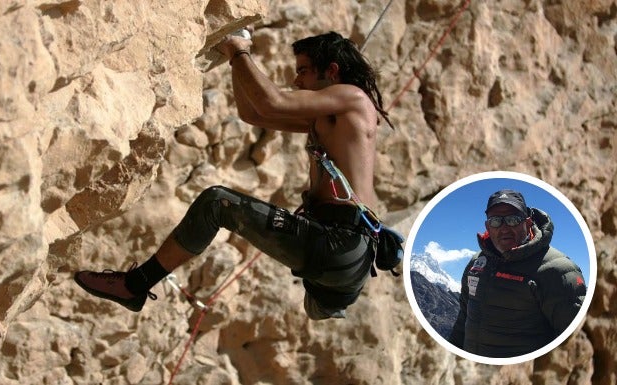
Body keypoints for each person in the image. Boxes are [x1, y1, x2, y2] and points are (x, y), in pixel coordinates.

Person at [74, 31, 395, 320]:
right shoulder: (327, 117)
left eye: (303, 71)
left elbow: (273, 100)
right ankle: (135, 285)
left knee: (217, 203)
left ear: (333, 71)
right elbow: (254, 113)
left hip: (340, 243)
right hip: (341, 257)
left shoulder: (351, 98)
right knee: (217, 203)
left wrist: (240, 49)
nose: (297, 81)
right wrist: (233, 60)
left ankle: (136, 284)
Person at [448, 189, 587, 357]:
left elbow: (576, 346)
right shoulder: (476, 264)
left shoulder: (557, 270)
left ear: (527, 223)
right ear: (487, 227)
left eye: (513, 220)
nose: (504, 228)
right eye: (495, 221)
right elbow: (463, 319)